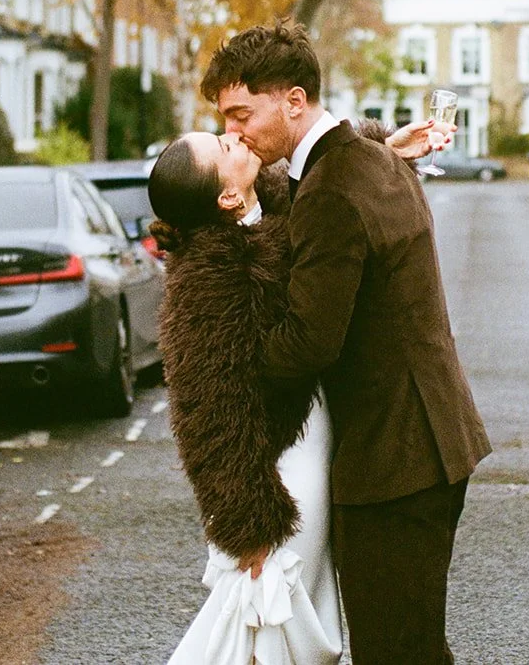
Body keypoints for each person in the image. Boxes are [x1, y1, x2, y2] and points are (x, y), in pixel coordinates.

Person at [201, 19, 492, 665]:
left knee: (396, 652)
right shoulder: (371, 159)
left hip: (394, 458)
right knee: (414, 645)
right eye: (225, 120)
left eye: (242, 114)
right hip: (432, 440)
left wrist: (228, 365)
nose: (234, 133)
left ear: (294, 100)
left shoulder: (332, 190)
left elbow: (307, 342)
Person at [150, 121, 435, 665]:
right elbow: (207, 413)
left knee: (300, 615)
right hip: (281, 473)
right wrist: (248, 524)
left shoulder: (278, 201)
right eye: (224, 147)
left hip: (319, 439)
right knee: (270, 617)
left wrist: (382, 149)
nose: (235, 136)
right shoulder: (209, 276)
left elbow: (328, 177)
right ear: (227, 196)